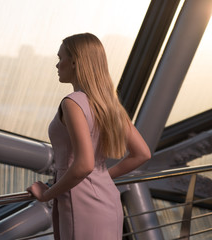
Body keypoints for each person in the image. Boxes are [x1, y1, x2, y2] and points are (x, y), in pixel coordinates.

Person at [27, 33, 151, 240]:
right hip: (107, 201)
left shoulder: (72, 102)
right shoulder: (108, 103)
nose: (57, 65)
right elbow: (142, 153)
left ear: (75, 61)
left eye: (60, 58)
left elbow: (84, 165)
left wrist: (46, 195)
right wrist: (101, 178)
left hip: (82, 204)